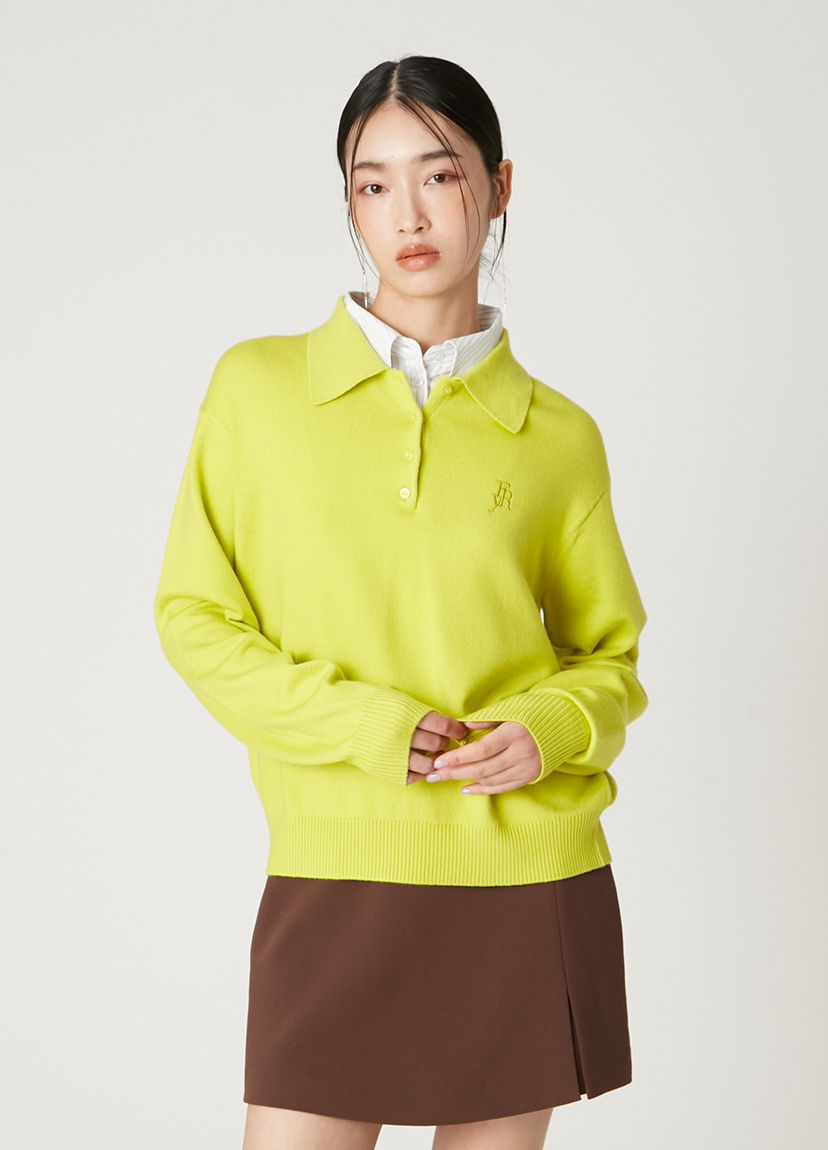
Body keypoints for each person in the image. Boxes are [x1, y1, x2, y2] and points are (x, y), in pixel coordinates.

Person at [153, 54, 649, 1150]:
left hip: (523, 871)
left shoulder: (559, 436)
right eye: (372, 184)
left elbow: (610, 663)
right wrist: (367, 725)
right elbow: (195, 618)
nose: (407, 215)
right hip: (333, 865)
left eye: (439, 174)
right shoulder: (258, 389)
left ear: (499, 186)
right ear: (349, 204)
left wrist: (546, 726)